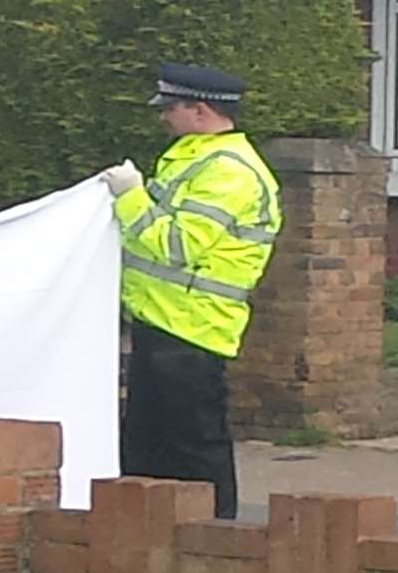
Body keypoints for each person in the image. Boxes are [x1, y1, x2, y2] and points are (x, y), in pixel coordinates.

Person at [100, 63, 282, 520]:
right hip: (163, 322)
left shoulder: (230, 173)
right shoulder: (194, 158)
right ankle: (151, 537)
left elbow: (175, 245)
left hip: (193, 329)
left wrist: (129, 195)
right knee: (147, 446)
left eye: (171, 108)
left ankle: (217, 538)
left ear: (199, 110)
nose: (164, 117)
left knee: (194, 447)